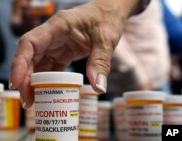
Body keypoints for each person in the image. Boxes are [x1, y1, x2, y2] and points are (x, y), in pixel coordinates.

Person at [10, 0, 151, 108]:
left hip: (132, 74)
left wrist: (107, 10)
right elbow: (18, 24)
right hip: (68, 60)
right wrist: (22, 19)